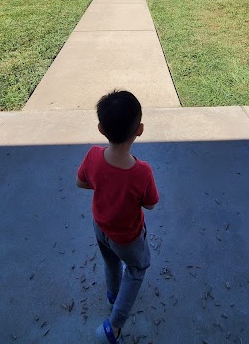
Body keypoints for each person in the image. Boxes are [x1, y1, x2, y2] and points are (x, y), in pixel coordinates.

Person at [76, 89, 159, 343]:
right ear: (140, 129)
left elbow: (81, 183)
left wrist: (102, 184)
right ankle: (114, 326)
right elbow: (151, 204)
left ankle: (113, 294)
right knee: (136, 267)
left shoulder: (92, 155)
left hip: (100, 228)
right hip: (128, 238)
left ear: (100, 128)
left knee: (111, 262)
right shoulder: (142, 172)